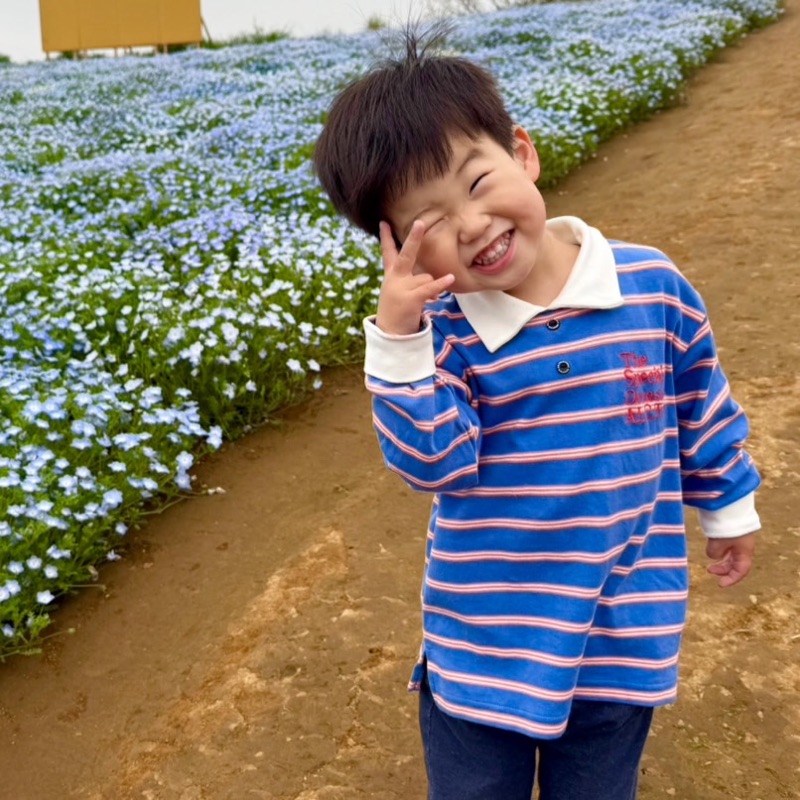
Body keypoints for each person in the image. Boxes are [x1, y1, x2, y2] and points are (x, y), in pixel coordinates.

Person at [313, 28, 761, 800]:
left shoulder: (649, 284)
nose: (474, 225)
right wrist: (397, 339)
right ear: (399, 252)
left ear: (521, 152)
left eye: (478, 183)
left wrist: (727, 505)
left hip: (624, 631)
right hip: (484, 643)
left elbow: (700, 399)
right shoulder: (442, 337)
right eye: (431, 223)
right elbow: (433, 464)